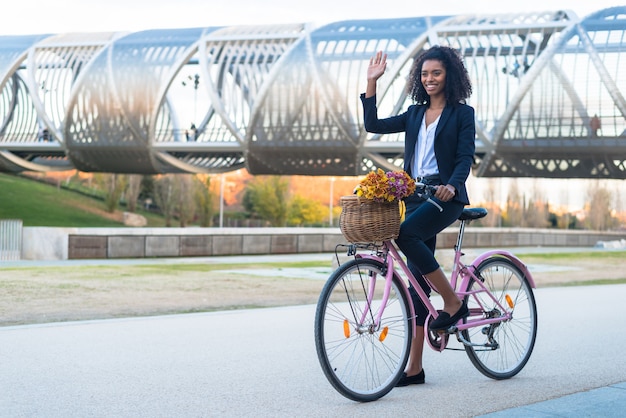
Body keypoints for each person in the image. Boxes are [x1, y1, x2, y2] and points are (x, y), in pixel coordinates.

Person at [360, 46, 475, 387]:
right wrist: (371, 82)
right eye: (424, 74)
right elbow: (372, 124)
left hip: (445, 197)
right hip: (415, 197)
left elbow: (465, 157)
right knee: (415, 286)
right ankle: (415, 369)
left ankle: (453, 302)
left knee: (406, 234)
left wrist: (453, 186)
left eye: (436, 73)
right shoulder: (414, 113)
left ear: (449, 76)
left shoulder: (461, 114)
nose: (429, 79)